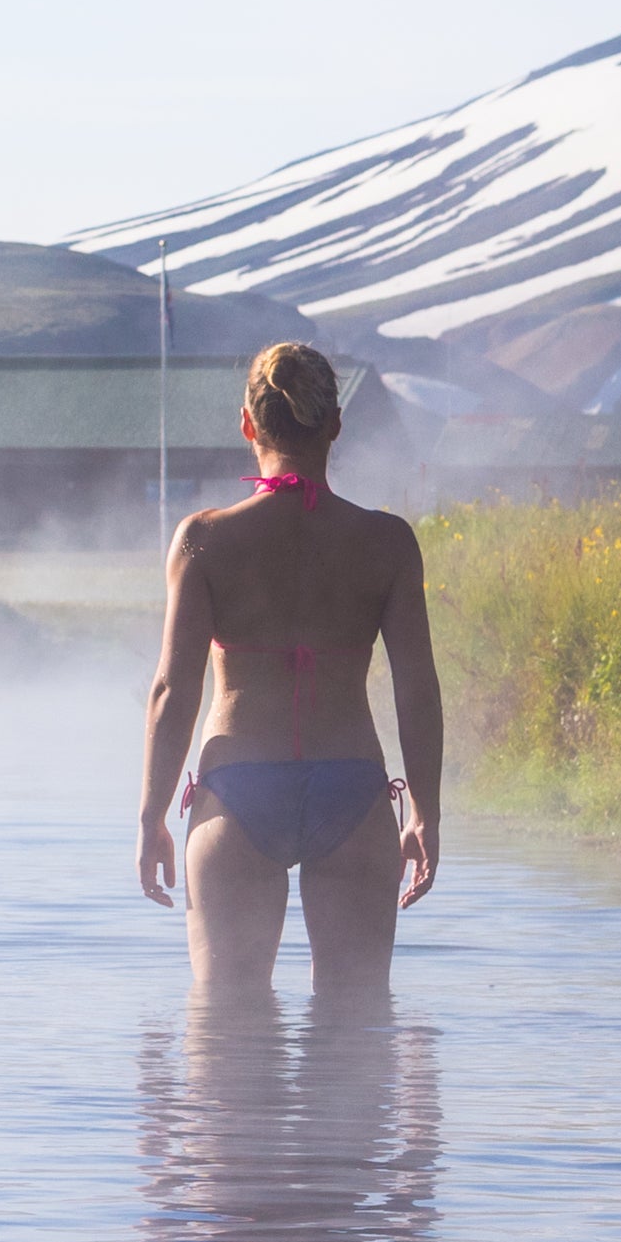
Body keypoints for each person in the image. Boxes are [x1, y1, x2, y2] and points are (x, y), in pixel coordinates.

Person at [136, 342, 443, 993]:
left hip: (239, 791)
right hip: (353, 791)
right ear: (334, 425)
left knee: (225, 1036)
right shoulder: (387, 544)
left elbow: (172, 688)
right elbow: (417, 688)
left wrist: (152, 816)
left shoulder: (204, 539)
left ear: (248, 423)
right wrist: (425, 813)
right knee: (359, 1026)